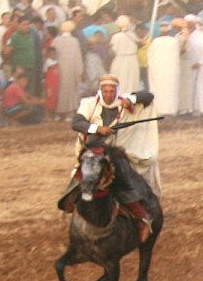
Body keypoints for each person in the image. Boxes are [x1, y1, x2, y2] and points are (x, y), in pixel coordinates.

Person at [61, 74, 160, 242]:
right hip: (92, 153)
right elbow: (76, 122)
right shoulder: (89, 104)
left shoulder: (124, 101)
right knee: (79, 181)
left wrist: (133, 100)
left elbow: (148, 96)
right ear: (101, 91)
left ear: (116, 91)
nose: (108, 94)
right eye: (105, 91)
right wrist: (98, 129)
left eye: (111, 91)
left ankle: (142, 219)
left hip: (113, 156)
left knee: (123, 185)